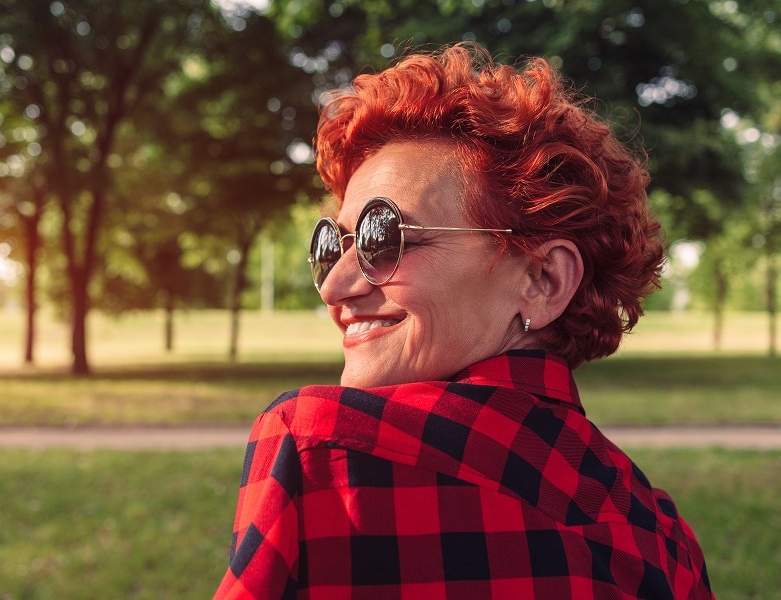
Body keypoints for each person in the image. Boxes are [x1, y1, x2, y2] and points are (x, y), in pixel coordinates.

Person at [215, 42, 713, 599]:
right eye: (333, 245)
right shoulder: (666, 539)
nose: (335, 286)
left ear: (543, 281)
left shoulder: (320, 452)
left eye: (387, 238)